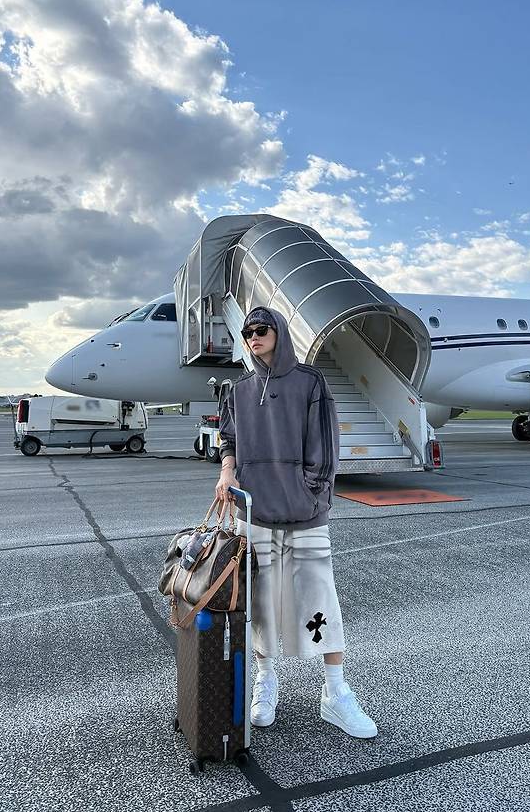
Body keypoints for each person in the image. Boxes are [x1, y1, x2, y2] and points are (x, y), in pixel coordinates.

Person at [215, 306, 377, 739]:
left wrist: (310, 495)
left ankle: (335, 691)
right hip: (255, 512)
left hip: (305, 515)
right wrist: (227, 471)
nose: (253, 336)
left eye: (261, 329)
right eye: (247, 332)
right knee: (261, 602)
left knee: (317, 598)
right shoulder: (239, 389)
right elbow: (228, 437)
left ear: (279, 332)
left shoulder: (310, 381)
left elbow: (326, 447)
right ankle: (266, 681)